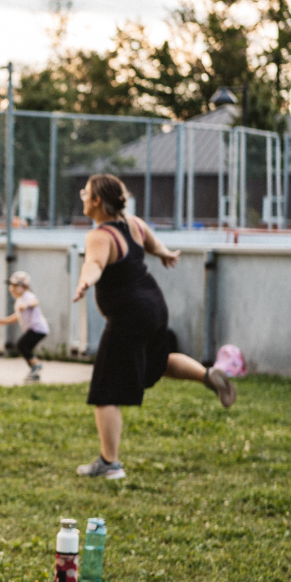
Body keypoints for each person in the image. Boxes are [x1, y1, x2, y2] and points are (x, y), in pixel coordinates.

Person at [72, 174, 237, 479]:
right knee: (158, 361)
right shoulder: (134, 224)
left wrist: (85, 281)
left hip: (129, 316)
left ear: (97, 201)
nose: (81, 195)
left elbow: (93, 264)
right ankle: (207, 376)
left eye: (86, 192)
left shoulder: (99, 236)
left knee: (106, 390)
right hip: (154, 306)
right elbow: (154, 243)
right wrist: (165, 254)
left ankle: (109, 463)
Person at [0, 270, 50, 382]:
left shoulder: (28, 296)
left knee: (22, 345)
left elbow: (35, 302)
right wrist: (5, 321)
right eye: (11, 286)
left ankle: (36, 365)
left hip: (38, 329)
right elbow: (17, 316)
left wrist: (26, 305)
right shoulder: (19, 300)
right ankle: (34, 371)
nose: (12, 288)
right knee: (24, 347)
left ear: (25, 286)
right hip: (35, 329)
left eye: (15, 286)